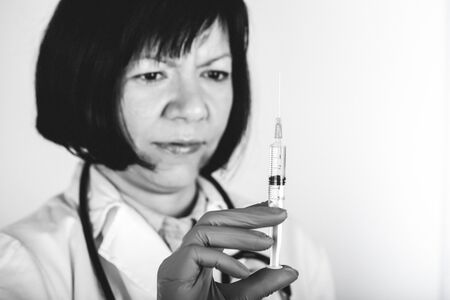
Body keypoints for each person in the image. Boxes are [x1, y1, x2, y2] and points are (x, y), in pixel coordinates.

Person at [0, 0, 335, 299]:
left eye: (215, 73)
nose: (193, 108)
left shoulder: (295, 248)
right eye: (152, 74)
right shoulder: (22, 265)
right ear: (84, 80)